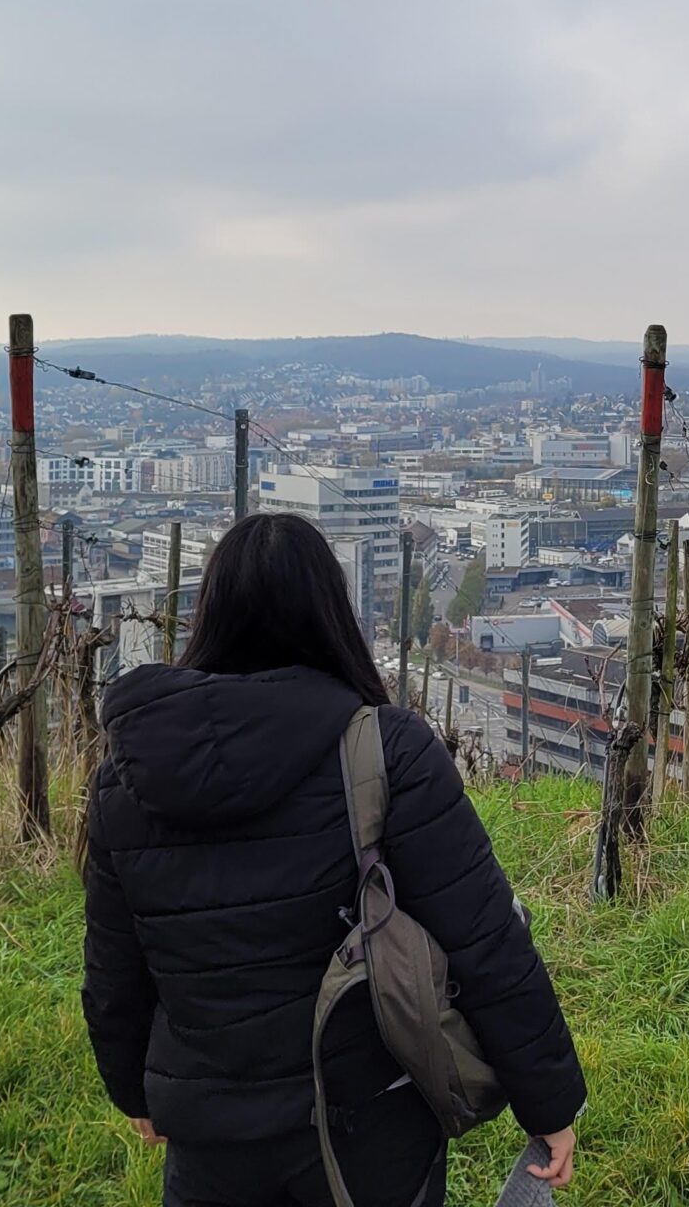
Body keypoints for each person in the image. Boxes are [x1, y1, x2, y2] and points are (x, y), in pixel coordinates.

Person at [82, 512, 586, 1207]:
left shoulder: (131, 774)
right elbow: (485, 938)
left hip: (210, 1139)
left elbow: (114, 965)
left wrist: (133, 1088)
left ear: (210, 612)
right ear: (331, 613)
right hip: (366, 1126)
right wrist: (549, 1100)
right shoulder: (385, 751)